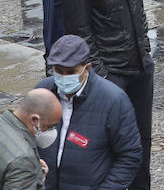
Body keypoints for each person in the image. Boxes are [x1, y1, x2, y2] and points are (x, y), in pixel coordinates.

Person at [59, 0, 154, 190]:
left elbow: (137, 7)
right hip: (110, 74)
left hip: (139, 65)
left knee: (141, 143)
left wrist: (146, 53)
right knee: (110, 146)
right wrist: (102, 76)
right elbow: (79, 31)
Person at [36, 35, 141, 190]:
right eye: (58, 70)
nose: (64, 77)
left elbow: (130, 155)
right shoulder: (42, 92)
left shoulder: (113, 100)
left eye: (70, 72)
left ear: (87, 68)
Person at [0, 89, 60, 188]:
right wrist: (32, 175)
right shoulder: (24, 159)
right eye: (50, 126)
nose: (52, 132)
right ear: (34, 120)